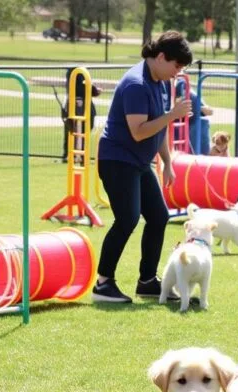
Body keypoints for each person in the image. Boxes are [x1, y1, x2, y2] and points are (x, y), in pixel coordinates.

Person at [91, 31, 194, 303]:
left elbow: (157, 129)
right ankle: (103, 284)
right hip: (118, 160)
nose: (177, 73)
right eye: (176, 66)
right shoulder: (136, 83)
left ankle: (147, 281)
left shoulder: (160, 82)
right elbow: (139, 131)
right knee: (127, 219)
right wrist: (173, 115)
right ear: (161, 57)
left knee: (159, 216)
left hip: (138, 162)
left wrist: (168, 161)